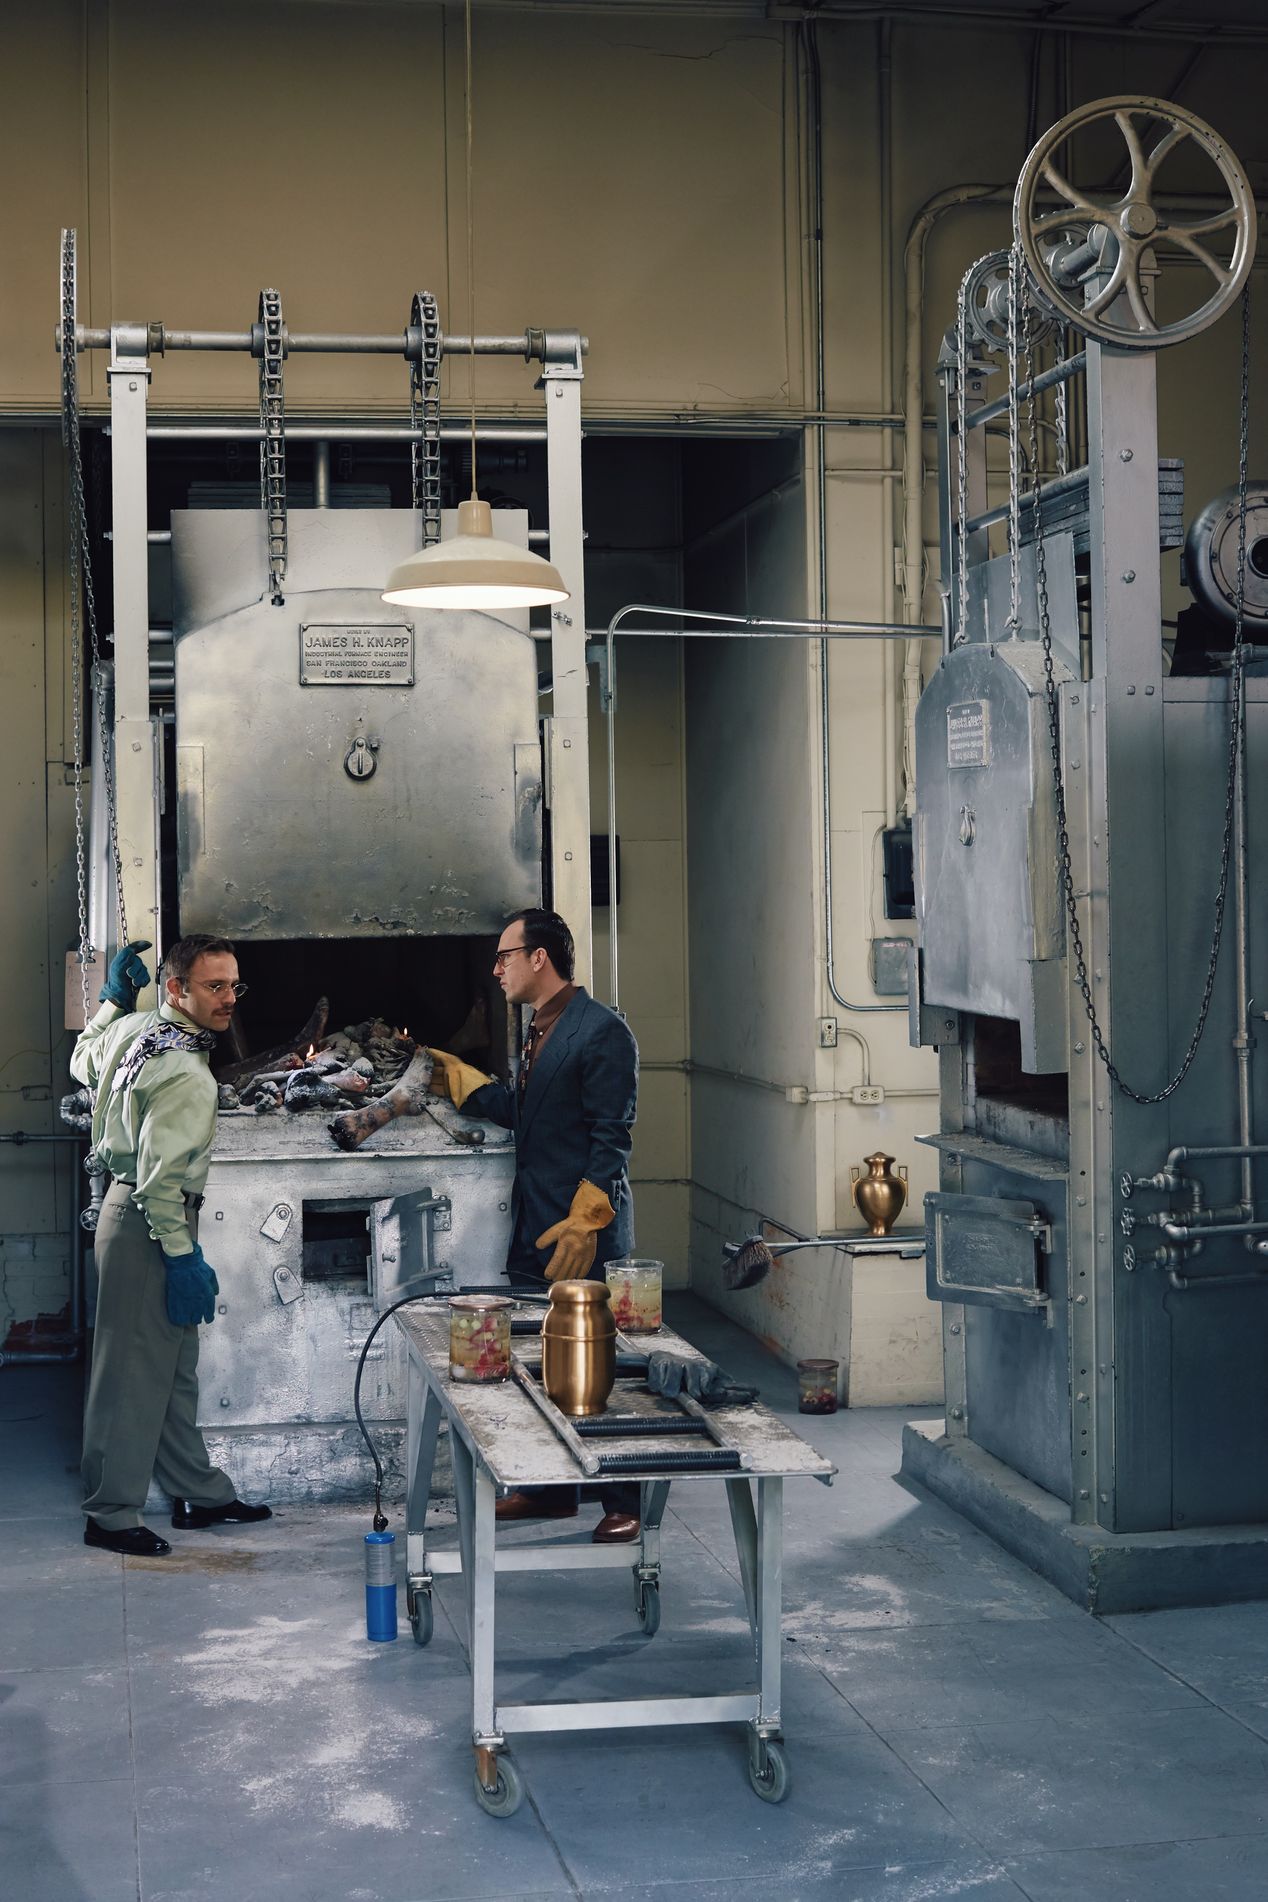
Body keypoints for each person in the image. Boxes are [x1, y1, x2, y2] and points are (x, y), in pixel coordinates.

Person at [429, 908, 642, 1543]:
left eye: (505, 956)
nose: (496, 969)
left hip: (581, 1231)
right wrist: (468, 1086)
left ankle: (621, 1497)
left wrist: (587, 1219)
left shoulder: (603, 1031)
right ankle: (550, 1491)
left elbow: (613, 1136)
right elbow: (535, 1112)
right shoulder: (542, 1028)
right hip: (537, 1221)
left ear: (539, 958)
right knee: (540, 1361)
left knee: (601, 1366)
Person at [70, 934, 272, 1558]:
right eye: (214, 986)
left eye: (235, 985)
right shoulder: (188, 1075)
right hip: (146, 1224)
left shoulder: (134, 1030)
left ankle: (197, 1494)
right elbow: (160, 1187)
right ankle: (109, 1512)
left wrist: (109, 1002)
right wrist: (181, 1256)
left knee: (173, 1369)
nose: (229, 998)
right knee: (129, 1374)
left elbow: (82, 1057)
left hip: (131, 1215)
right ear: (177, 989)